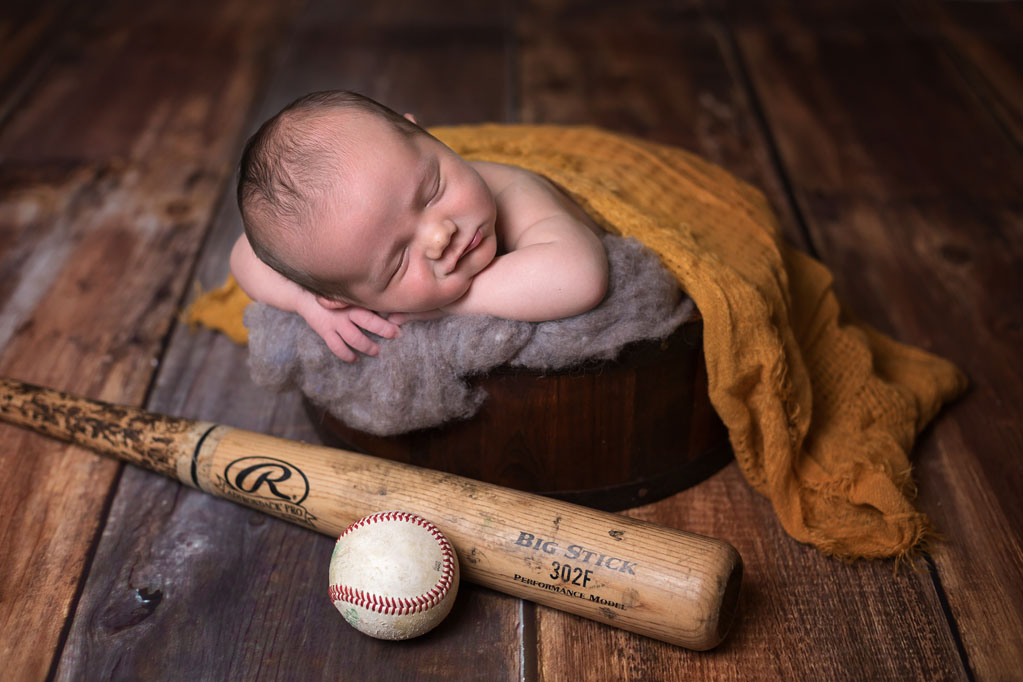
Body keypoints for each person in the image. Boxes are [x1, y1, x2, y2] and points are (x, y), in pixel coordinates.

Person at [231, 90, 608, 362]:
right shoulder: (338, 260)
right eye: (398, 261)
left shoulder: (512, 192)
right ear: (345, 296)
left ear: (429, 137)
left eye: (432, 191)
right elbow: (244, 255)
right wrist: (306, 301)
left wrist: (452, 304)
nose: (439, 236)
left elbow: (579, 275)